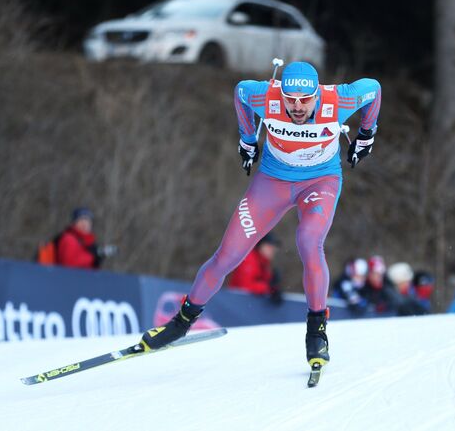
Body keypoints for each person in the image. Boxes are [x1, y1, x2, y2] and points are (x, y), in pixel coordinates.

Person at [139, 61, 382, 372]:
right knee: (226, 256)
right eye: (290, 98)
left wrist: (366, 134)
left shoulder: (339, 100)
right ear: (282, 92)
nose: (296, 106)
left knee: (309, 242)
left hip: (319, 181)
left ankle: (316, 330)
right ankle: (182, 321)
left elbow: (373, 88)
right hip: (273, 181)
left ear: (316, 94)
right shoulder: (267, 96)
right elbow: (240, 92)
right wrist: (247, 138)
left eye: (304, 100)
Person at [37, 207, 117, 269]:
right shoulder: (69, 239)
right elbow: (70, 264)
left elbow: (89, 269)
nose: (85, 223)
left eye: (88, 220)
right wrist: (94, 255)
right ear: (74, 223)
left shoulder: (88, 243)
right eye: (81, 220)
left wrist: (98, 257)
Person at [228, 232, 283, 304]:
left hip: (247, 305)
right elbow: (244, 286)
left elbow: (264, 284)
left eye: (273, 248)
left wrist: (274, 288)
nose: (272, 250)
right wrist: (268, 288)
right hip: (236, 304)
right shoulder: (248, 259)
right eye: (269, 246)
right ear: (260, 246)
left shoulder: (264, 262)